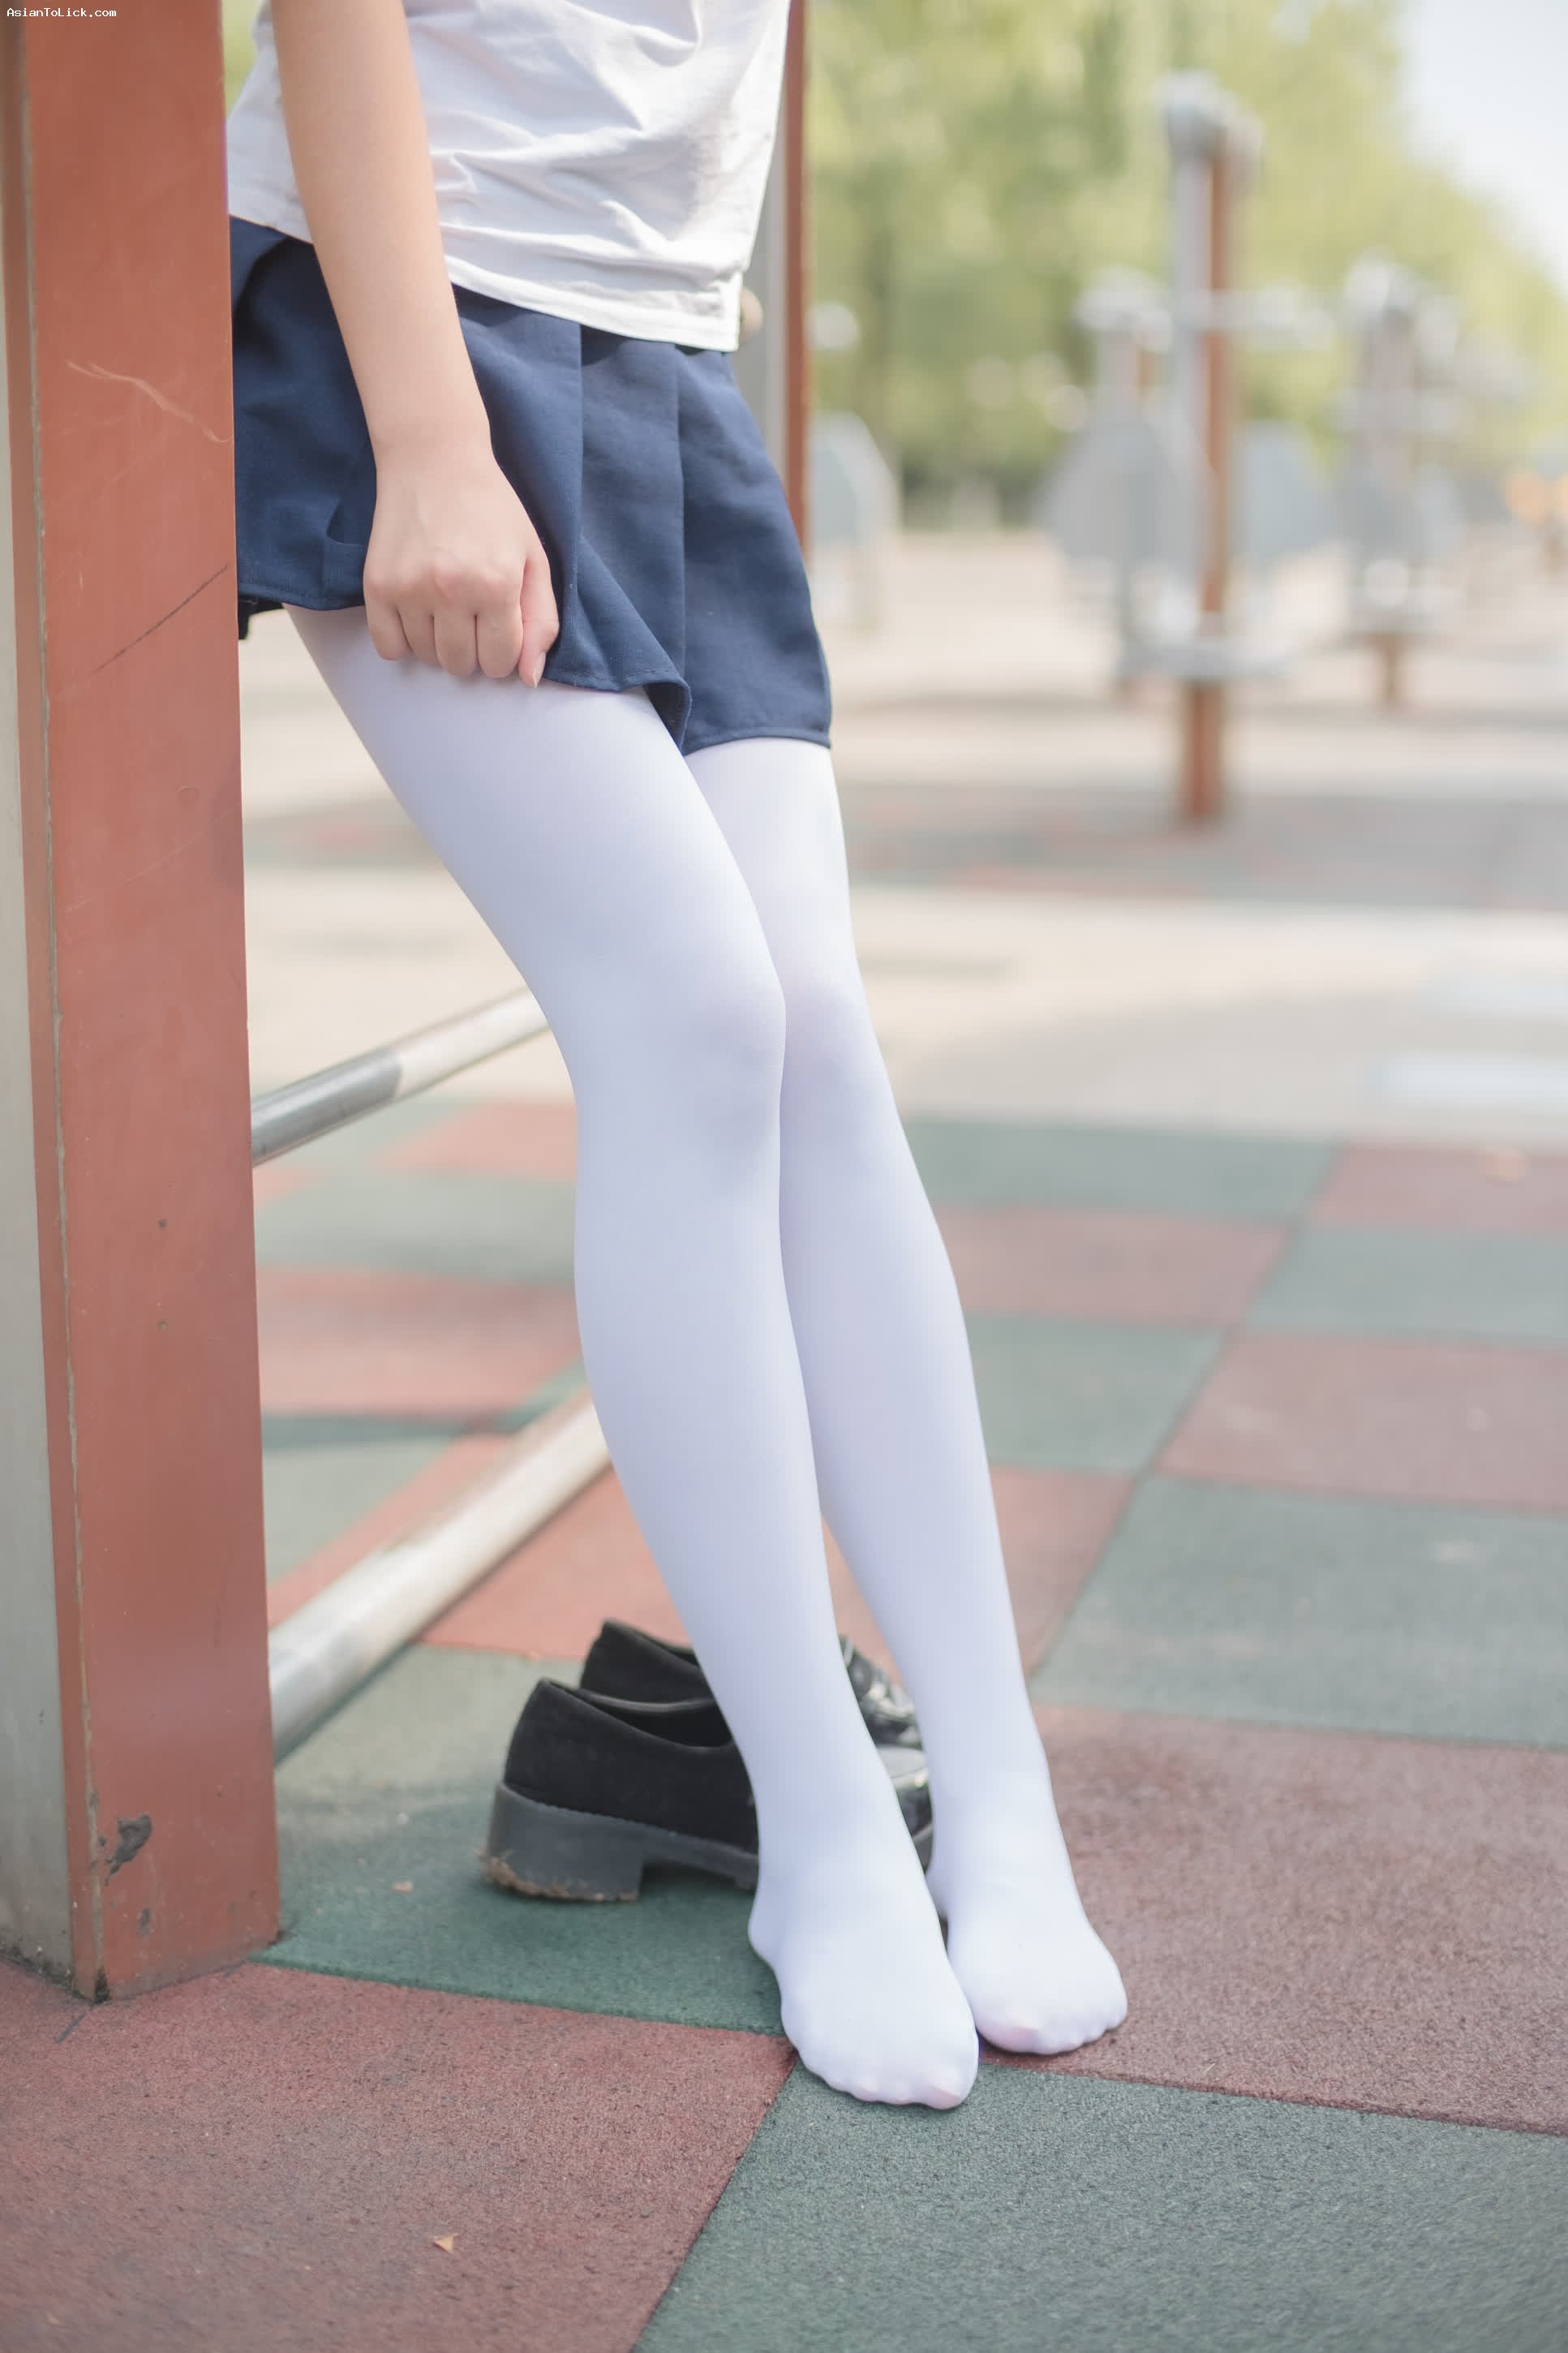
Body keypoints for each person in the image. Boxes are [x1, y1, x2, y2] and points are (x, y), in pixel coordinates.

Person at [226, 0, 1126, 2110]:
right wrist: (426, 437)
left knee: (821, 1044)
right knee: (696, 1017)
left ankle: (1000, 1794)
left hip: (663, 343)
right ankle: (821, 1828)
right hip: (414, 312)